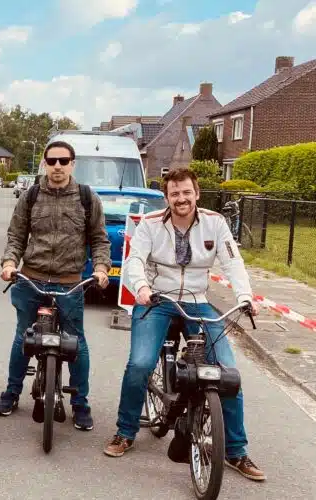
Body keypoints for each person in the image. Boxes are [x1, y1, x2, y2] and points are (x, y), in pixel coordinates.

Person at [104, 168, 265, 481]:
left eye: (186, 192)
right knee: (140, 364)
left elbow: (233, 263)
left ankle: (236, 451)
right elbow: (135, 260)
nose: (181, 198)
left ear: (197, 193)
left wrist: (245, 297)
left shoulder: (215, 223)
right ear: (167, 197)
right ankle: (125, 432)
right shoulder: (150, 224)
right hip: (157, 299)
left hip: (197, 301)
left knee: (228, 373)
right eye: (174, 193)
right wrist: (142, 288)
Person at [0, 141, 110, 431]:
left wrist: (100, 268)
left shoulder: (87, 198)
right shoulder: (31, 196)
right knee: (23, 337)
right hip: (31, 279)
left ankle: (80, 403)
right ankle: (11, 392)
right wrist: (9, 263)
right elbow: (16, 235)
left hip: (69, 282)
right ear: (45, 164)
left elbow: (99, 239)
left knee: (76, 342)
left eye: (63, 161)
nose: (58, 166)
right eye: (52, 161)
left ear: (73, 163)